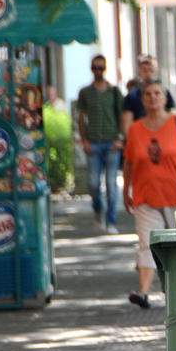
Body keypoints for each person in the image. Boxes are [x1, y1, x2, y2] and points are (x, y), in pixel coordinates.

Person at [121, 79, 176, 309]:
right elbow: (128, 162)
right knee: (146, 243)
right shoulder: (135, 129)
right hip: (145, 197)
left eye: (157, 93)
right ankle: (144, 293)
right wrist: (126, 190)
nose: (153, 98)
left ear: (165, 98)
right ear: (142, 100)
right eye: (147, 94)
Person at [76, 54, 124, 233]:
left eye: (101, 68)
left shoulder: (114, 91)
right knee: (93, 183)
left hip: (111, 142)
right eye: (95, 67)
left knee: (112, 184)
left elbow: (121, 116)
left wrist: (120, 138)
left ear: (105, 69)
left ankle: (111, 221)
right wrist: (84, 140)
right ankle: (98, 210)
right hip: (93, 143)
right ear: (91, 69)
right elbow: (80, 118)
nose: (98, 71)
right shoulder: (85, 92)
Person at [120, 55, 176, 132]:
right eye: (145, 70)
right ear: (139, 70)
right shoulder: (132, 95)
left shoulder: (165, 92)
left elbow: (170, 115)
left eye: (150, 70)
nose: (148, 73)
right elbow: (127, 121)